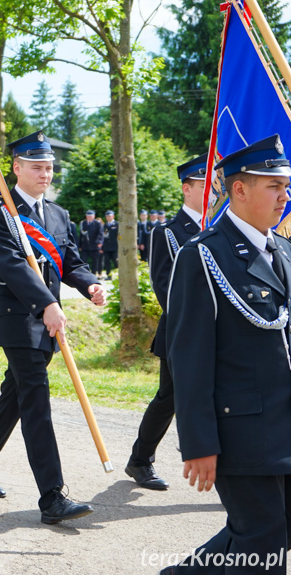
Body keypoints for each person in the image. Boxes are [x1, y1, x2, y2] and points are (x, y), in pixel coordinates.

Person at [0, 130, 106, 524]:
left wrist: (90, 283)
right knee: (37, 403)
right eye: (37, 167)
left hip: (48, 319)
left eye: (49, 167)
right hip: (19, 320)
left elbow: (71, 261)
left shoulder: (58, 214)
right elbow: (8, 265)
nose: (45, 173)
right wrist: (46, 303)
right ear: (17, 168)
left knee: (16, 396)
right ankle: (52, 497)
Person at [163, 135, 291, 574]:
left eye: (286, 186)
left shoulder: (284, 251)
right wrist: (198, 444)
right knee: (264, 541)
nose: (285, 196)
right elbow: (189, 359)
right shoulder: (203, 256)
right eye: (274, 186)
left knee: (270, 531)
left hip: (285, 425)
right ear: (239, 189)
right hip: (243, 432)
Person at [126, 153, 207, 492]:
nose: (212, 192)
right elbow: (163, 285)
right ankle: (140, 460)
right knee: (169, 398)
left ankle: (231, 469)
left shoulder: (220, 228)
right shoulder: (169, 232)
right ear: (186, 189)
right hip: (182, 331)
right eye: (204, 186)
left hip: (220, 331)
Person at [79, 209, 103, 274]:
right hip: (85, 245)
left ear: (94, 216)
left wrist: (99, 242)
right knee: (84, 260)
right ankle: (86, 272)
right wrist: (80, 245)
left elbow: (100, 233)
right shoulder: (83, 223)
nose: (89, 217)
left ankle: (94, 273)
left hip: (95, 245)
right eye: (88, 216)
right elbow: (81, 235)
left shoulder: (97, 223)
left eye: (91, 216)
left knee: (95, 261)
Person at [100, 209, 119, 280]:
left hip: (115, 246)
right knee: (107, 262)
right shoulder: (104, 225)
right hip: (106, 247)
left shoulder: (117, 224)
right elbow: (102, 237)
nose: (108, 217)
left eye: (110, 216)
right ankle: (109, 275)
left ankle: (118, 275)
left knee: (116, 261)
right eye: (107, 216)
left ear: (113, 216)